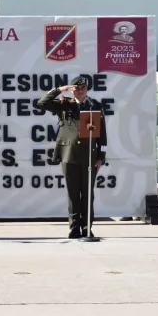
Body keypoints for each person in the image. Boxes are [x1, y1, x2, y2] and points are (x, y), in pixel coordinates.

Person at [37, 75, 108, 239]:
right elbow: (41, 103)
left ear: (87, 89)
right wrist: (60, 89)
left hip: (89, 156)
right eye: (77, 88)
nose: (80, 91)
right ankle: (74, 228)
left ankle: (87, 227)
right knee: (73, 194)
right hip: (69, 155)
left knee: (87, 194)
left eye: (83, 88)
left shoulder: (94, 106)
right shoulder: (64, 104)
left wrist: (100, 157)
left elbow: (102, 134)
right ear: (72, 90)